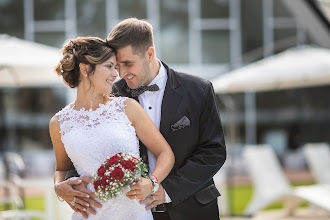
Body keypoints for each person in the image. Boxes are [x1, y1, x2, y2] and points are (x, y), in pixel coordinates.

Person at [60, 18, 227, 220]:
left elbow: (213, 152)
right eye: (116, 65)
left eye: (128, 64)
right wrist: (66, 185)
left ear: (150, 54)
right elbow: (83, 147)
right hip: (133, 211)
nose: (120, 73)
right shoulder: (111, 95)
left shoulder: (198, 89)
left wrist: (165, 190)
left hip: (192, 209)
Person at [50, 36, 174, 220]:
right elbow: (61, 169)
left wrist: (151, 183)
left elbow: (166, 153)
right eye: (109, 66)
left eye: (116, 67)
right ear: (85, 68)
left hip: (133, 214)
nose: (116, 74)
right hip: (89, 215)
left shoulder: (128, 108)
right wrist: (59, 187)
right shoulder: (59, 122)